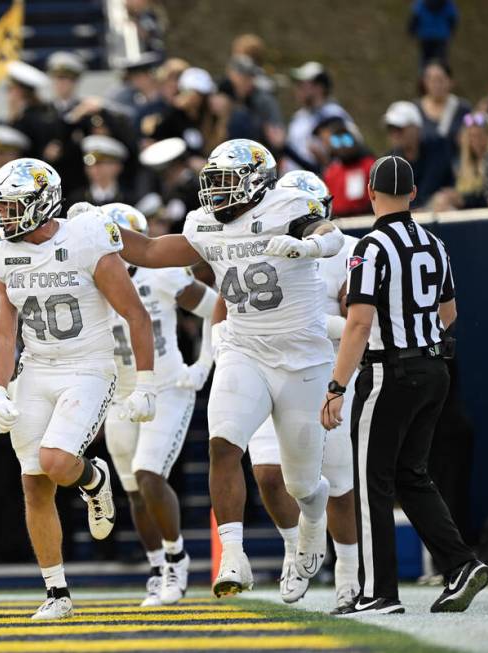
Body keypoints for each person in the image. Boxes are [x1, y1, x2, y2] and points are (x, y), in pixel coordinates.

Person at [118, 139, 347, 597]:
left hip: (302, 356)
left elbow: (333, 234)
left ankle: (314, 519)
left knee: (301, 483)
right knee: (223, 445)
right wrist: (88, 231)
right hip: (244, 348)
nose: (217, 192)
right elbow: (147, 250)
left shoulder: (289, 204)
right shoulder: (205, 223)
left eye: (226, 181)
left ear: (257, 180)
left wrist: (310, 248)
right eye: (213, 182)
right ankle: (235, 558)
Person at [0, 158, 156, 619]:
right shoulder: (1, 250)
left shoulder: (86, 236)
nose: (0, 216)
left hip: (88, 366)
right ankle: (57, 593)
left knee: (57, 462)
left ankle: (93, 479)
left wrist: (144, 382)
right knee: (33, 483)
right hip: (37, 367)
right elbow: (4, 333)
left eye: (11, 206)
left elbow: (136, 314)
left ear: (42, 204)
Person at [321, 154, 488, 615]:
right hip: (435, 369)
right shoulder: (435, 243)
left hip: (387, 372)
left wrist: (336, 386)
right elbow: (449, 313)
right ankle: (459, 563)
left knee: (370, 480)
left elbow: (358, 324)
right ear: (414, 193)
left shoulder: (370, 247)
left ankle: (379, 592)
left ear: (372, 193)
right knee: (411, 475)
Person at [233, 170, 359, 611]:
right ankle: (295, 546)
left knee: (339, 478)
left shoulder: (344, 251)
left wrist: (315, 327)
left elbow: (362, 323)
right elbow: (229, 299)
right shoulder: (257, 236)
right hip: (269, 363)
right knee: (268, 473)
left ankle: (347, 571)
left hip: (329, 367)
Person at [99, 203, 216, 607]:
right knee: (133, 489)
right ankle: (155, 568)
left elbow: (218, 307)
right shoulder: (90, 277)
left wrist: (203, 363)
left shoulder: (161, 273)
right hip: (119, 393)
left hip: (166, 385)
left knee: (148, 475)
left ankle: (176, 558)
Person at [384, 101, 455, 207]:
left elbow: (430, 188)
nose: (394, 134)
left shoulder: (438, 150)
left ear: (416, 128)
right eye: (390, 129)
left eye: (399, 129)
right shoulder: (388, 163)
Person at [287, 62, 352, 171]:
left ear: (319, 87)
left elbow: (348, 145)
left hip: (324, 182)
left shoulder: (335, 114)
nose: (297, 88)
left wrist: (327, 157)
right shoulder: (298, 118)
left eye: (302, 84)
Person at [431, 112, 488, 210]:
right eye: (471, 136)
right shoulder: (463, 165)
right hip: (467, 214)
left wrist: (463, 199)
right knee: (440, 200)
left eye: (479, 136)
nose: (475, 141)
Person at [416, 60, 471, 158]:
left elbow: (472, 130)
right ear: (424, 82)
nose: (436, 85)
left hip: (454, 167)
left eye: (440, 80)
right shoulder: (415, 109)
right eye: (432, 80)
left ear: (451, 81)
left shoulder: (463, 109)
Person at [321, 123, 376, 218]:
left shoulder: (370, 166)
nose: (342, 146)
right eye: (336, 141)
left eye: (346, 140)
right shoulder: (330, 172)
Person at [65, 135, 133, 207]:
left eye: (100, 164)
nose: (94, 169)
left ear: (117, 166)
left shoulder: (129, 200)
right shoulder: (76, 200)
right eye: (90, 164)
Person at [409, 0, 458, 66]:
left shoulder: (420, 3)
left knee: (425, 60)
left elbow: (415, 19)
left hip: (425, 35)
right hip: (442, 35)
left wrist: (412, 31)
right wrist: (451, 31)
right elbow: (452, 19)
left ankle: (423, 73)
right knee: (442, 60)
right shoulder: (448, 3)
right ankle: (445, 73)